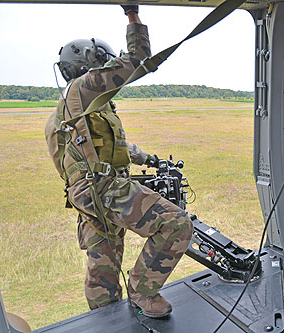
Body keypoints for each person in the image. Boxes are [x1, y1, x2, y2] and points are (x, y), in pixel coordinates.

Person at [44, 6, 193, 318]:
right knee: (176, 224)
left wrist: (148, 159)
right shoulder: (83, 90)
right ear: (89, 65)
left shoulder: (71, 108)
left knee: (104, 272)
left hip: (89, 195)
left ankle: (105, 321)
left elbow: (111, 146)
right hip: (103, 188)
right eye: (102, 64)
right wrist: (132, 15)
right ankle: (143, 291)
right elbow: (138, 59)